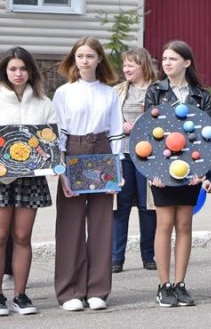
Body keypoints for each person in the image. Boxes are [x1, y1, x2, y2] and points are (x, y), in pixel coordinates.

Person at [53, 37, 124, 312]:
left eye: (90, 56)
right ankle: (69, 290)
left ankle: (97, 289)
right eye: (80, 56)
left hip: (102, 151)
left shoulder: (109, 93)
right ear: (74, 59)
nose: (85, 61)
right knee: (70, 225)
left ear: (99, 60)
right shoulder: (63, 93)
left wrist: (116, 172)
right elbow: (57, 138)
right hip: (72, 151)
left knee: (101, 224)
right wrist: (62, 173)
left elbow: (116, 133)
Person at [145, 40, 211, 307]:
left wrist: (202, 172)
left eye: (172, 59)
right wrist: (152, 171)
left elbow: (208, 137)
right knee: (164, 225)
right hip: (161, 170)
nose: (166, 63)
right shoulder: (155, 92)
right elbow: (147, 133)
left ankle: (180, 284)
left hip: (191, 170)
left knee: (185, 225)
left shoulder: (201, 95)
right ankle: (163, 286)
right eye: (164, 58)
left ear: (186, 63)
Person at [0, 47, 56, 316]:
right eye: (13, 69)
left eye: (23, 68)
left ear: (31, 71)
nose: (18, 73)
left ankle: (20, 295)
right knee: (0, 237)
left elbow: (52, 139)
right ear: (5, 71)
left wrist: (54, 159)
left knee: (22, 236)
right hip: (1, 178)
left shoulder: (44, 103)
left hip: (31, 178)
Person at [112, 48, 158, 274]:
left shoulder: (158, 90)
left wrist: (142, 126)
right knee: (120, 207)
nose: (126, 69)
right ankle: (115, 258)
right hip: (123, 154)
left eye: (131, 65)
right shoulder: (118, 90)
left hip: (149, 155)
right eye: (124, 65)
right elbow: (109, 119)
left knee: (147, 206)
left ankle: (148, 256)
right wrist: (121, 126)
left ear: (143, 66)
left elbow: (165, 120)